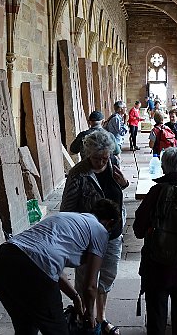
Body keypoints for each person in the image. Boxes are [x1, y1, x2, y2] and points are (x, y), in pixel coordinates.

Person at [0, 199, 121, 335]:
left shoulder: (67, 218)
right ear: (109, 222)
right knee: (57, 330)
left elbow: (51, 266)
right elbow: (90, 286)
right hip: (33, 272)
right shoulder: (100, 231)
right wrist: (91, 315)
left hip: (2, 261)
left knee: (25, 326)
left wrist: (75, 297)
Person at [60, 129, 129, 335]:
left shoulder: (112, 165)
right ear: (88, 154)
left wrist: (123, 184)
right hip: (88, 238)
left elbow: (118, 192)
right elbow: (68, 209)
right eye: (97, 158)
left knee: (106, 278)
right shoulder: (78, 174)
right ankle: (85, 319)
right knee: (86, 281)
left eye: (105, 158)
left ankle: (102, 318)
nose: (101, 162)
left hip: (113, 234)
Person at [133, 148, 177, 335]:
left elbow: (138, 230)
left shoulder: (156, 192)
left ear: (163, 168)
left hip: (156, 265)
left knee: (156, 313)